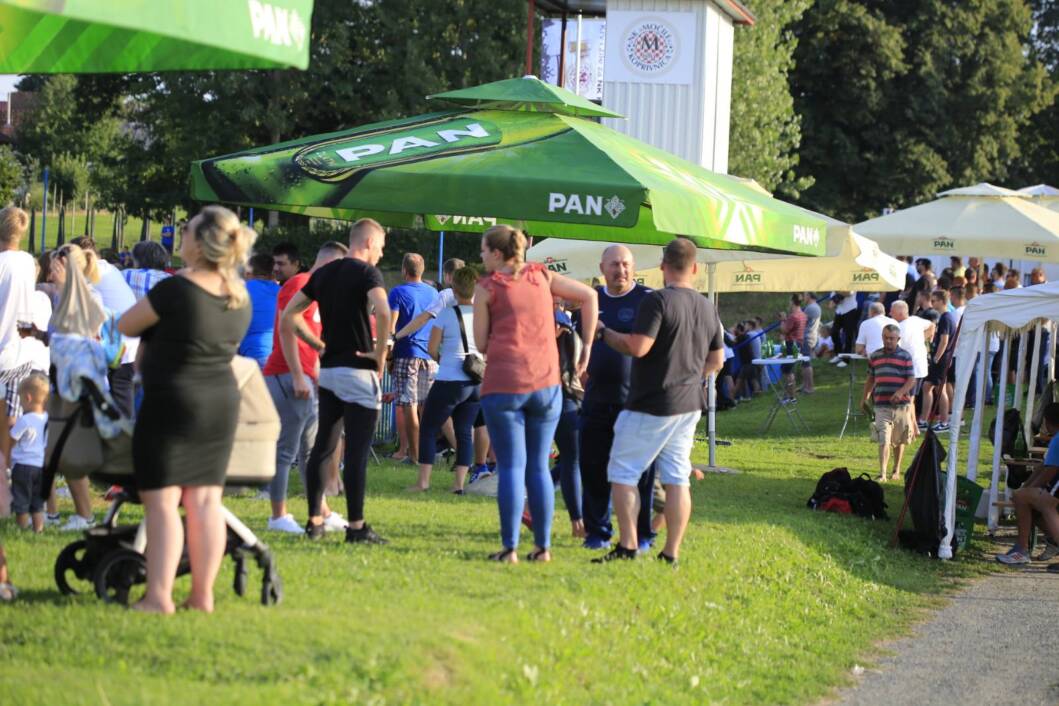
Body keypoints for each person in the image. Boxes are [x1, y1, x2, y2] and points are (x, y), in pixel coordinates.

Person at [118, 205, 254, 614]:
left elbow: (126, 325)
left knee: (162, 502)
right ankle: (201, 596)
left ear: (201, 242)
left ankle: (158, 597)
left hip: (173, 400)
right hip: (221, 404)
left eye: (188, 229)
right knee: (206, 502)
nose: (182, 234)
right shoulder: (238, 295)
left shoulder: (177, 289)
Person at [595, 237, 725, 564]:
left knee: (622, 473)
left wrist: (603, 332)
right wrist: (691, 377)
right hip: (689, 403)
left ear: (663, 265)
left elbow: (638, 347)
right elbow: (717, 360)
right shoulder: (706, 306)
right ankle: (670, 552)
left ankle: (627, 546)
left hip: (651, 402)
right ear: (694, 268)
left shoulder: (657, 301)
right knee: (677, 478)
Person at [473, 225, 597, 563]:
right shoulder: (542, 275)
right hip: (546, 384)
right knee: (539, 467)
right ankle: (543, 548)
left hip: (504, 383)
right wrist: (586, 346)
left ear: (497, 253)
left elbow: (481, 343)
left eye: (483, 250)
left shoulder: (487, 287)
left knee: (512, 467)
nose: (481, 256)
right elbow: (589, 296)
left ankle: (510, 548)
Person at [281, 218, 391, 544]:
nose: (381, 254)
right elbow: (384, 311)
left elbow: (290, 315)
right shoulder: (368, 273)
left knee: (322, 448)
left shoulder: (324, 273)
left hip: (328, 371)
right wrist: (380, 354)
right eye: (381, 247)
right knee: (356, 452)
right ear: (369, 242)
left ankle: (314, 521)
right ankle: (356, 527)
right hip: (359, 371)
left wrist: (318, 345)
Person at [261, 241, 349, 534]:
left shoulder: (316, 289)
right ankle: (278, 516)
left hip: (303, 377)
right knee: (286, 450)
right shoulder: (302, 283)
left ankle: (322, 511)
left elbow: (305, 334)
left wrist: (315, 370)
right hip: (288, 375)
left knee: (311, 451)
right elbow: (287, 327)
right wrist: (298, 375)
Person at [575, 245, 657, 551]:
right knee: (593, 469)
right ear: (602, 268)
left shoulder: (648, 300)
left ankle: (642, 534)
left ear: (633, 267)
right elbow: (578, 343)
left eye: (625, 264)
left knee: (641, 473)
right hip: (596, 400)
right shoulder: (590, 300)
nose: (620, 270)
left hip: (637, 402)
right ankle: (598, 532)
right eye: (614, 265)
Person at [409, 266, 481, 494]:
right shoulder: (483, 315)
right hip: (475, 381)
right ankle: (459, 485)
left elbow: (431, 348)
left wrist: (444, 359)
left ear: (454, 288)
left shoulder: (446, 314)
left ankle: (423, 482)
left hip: (450, 379)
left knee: (428, 428)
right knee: (464, 431)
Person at [69, 236, 139, 418]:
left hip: (119, 347)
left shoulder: (89, 274)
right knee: (123, 393)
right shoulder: (110, 269)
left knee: (120, 396)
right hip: (131, 342)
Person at [387, 253, 439, 463]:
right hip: (430, 355)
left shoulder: (397, 292)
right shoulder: (434, 292)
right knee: (426, 405)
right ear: (422, 270)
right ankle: (427, 453)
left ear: (404, 270)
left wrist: (388, 357)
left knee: (408, 404)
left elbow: (391, 328)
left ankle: (414, 455)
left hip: (406, 353)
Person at [0, 207, 36, 498]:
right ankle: (8, 470)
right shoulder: (26, 262)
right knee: (11, 415)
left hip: (2, 348)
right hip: (21, 348)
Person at [997, 403, 1059, 565]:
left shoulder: (1057, 440)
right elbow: (1043, 466)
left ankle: (1022, 550)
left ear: (1046, 421)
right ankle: (1049, 542)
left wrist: (1029, 490)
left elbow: (1050, 470)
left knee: (1045, 505)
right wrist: (1026, 489)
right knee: (1026, 501)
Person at [861, 325, 916, 482]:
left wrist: (900, 392)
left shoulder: (905, 356)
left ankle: (896, 470)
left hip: (901, 406)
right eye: (885, 337)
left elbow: (912, 380)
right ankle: (883, 473)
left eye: (891, 338)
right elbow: (870, 379)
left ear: (898, 339)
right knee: (883, 439)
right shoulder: (875, 356)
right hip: (881, 405)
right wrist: (864, 398)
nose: (888, 341)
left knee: (898, 441)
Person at [9, 374, 48, 532]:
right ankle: (38, 529)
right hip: (41, 466)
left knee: (22, 501)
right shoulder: (47, 418)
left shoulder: (24, 420)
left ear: (28, 398)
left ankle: (22, 529)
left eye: (20, 400)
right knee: (37, 503)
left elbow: (12, 439)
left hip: (23, 467)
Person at [920, 289, 956, 432]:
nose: (932, 303)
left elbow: (944, 340)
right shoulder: (946, 317)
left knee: (940, 390)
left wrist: (936, 357)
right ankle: (924, 419)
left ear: (941, 301)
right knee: (927, 386)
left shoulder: (946, 318)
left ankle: (944, 422)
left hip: (941, 359)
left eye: (934, 301)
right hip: (943, 358)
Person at [238, 253, 280, 368]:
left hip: (253, 353)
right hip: (280, 356)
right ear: (272, 274)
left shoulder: (241, 290)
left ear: (248, 273)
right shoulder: (282, 291)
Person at [890, 300, 931, 392]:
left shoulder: (899, 328)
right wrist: (922, 339)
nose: (890, 314)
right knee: (910, 397)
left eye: (892, 311)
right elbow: (932, 325)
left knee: (906, 397)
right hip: (919, 367)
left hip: (909, 369)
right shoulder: (916, 320)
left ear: (900, 313)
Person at [778, 294, 806, 398]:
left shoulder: (793, 316)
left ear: (793, 302)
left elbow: (784, 330)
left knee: (787, 371)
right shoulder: (802, 314)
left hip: (791, 344)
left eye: (790, 301)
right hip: (798, 344)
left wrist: (783, 320)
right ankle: (790, 395)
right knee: (789, 371)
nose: (789, 303)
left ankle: (790, 396)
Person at [829, 291, 858, 366]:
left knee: (848, 335)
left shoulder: (851, 283)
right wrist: (834, 300)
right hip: (839, 311)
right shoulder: (836, 286)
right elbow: (831, 303)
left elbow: (849, 293)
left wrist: (837, 291)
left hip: (850, 310)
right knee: (834, 332)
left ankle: (846, 360)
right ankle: (838, 355)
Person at [801, 292, 821, 393]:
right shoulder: (816, 306)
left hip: (807, 338)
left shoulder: (810, 308)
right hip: (812, 337)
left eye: (804, 295)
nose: (803, 297)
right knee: (804, 362)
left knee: (806, 363)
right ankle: (805, 385)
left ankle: (810, 387)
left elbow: (800, 322)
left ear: (809, 296)